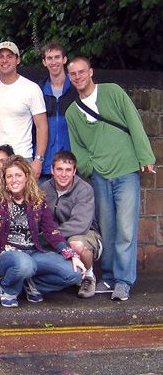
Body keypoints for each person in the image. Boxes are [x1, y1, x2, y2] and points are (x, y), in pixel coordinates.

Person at [66, 57, 155, 301]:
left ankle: (124, 281)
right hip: (100, 176)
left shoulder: (113, 92)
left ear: (91, 72)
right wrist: (90, 168)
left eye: (81, 71)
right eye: (72, 74)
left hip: (125, 171)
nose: (78, 77)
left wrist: (145, 156)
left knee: (126, 229)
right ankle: (111, 276)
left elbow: (134, 123)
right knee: (108, 229)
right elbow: (78, 147)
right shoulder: (72, 112)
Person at [0, 155, 85, 307]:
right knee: (25, 264)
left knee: (75, 273)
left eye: (18, 175)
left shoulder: (38, 201)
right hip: (7, 254)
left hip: (33, 252)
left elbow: (51, 232)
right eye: (9, 176)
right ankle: (7, 288)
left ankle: (31, 284)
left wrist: (71, 254)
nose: (14, 180)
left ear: (26, 177)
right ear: (4, 180)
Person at [0, 41, 48, 179]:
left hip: (22, 157)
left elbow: (42, 127)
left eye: (9, 56)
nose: (4, 60)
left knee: (26, 200)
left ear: (18, 60)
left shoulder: (31, 88)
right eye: (0, 56)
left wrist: (38, 160)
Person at [40, 151, 102, 298]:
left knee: (76, 244)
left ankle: (88, 275)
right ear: (52, 170)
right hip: (54, 236)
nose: (63, 174)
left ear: (74, 171)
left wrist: (47, 236)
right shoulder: (43, 189)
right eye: (59, 169)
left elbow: (79, 225)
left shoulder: (84, 189)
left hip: (84, 233)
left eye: (68, 170)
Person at [39, 42, 77, 181]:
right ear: (44, 62)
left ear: (64, 59)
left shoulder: (76, 89)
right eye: (49, 58)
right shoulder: (38, 90)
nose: (53, 62)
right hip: (45, 165)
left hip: (71, 166)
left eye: (57, 57)